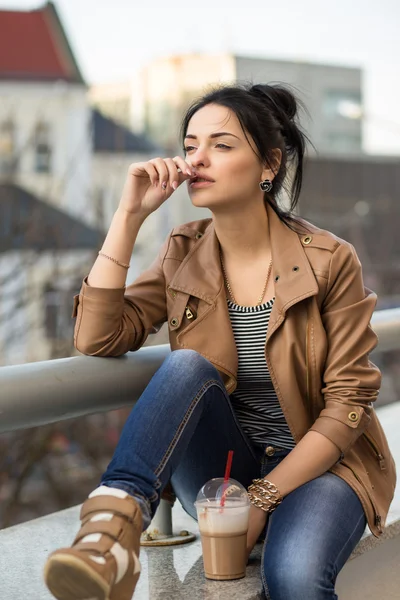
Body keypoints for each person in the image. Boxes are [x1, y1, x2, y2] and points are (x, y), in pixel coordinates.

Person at [43, 83, 396, 600]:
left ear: (269, 165)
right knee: (186, 366)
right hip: (224, 468)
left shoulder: (329, 259)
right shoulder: (183, 250)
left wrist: (263, 500)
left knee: (295, 577)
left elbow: (348, 403)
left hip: (321, 465)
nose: (197, 160)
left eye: (221, 145)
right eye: (190, 146)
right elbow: (97, 337)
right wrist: (128, 217)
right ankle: (112, 533)